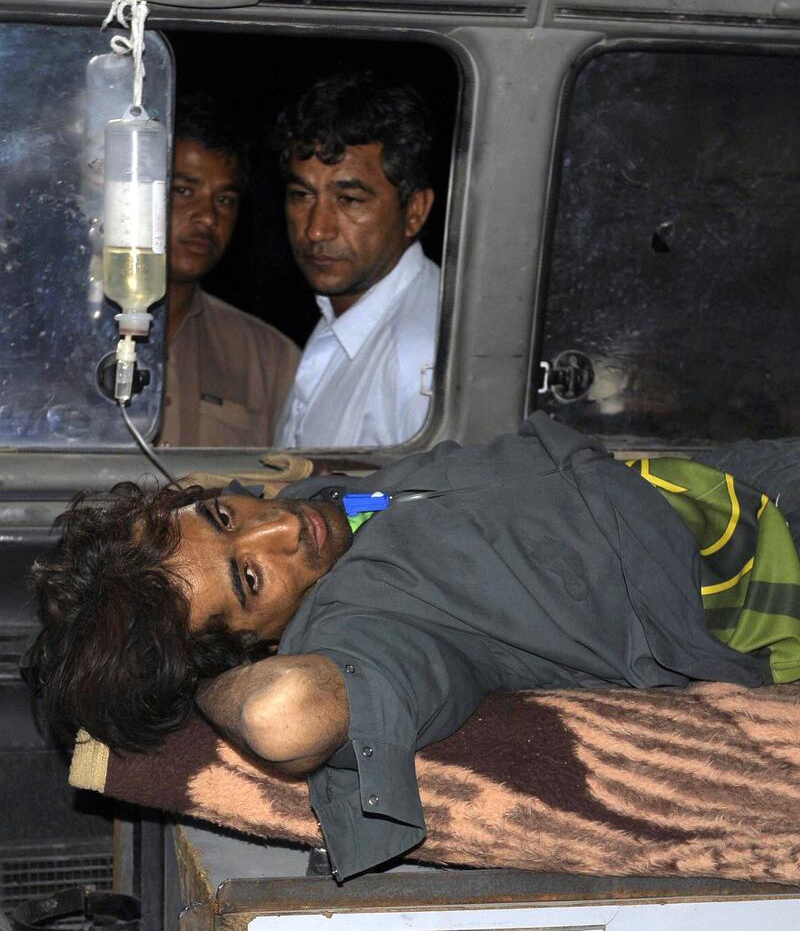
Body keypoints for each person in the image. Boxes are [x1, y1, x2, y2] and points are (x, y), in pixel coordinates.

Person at [27, 413, 800, 881]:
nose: (283, 526)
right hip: (761, 574)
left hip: (729, 482)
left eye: (224, 518)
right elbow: (281, 714)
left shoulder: (314, 511)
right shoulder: (370, 621)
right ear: (247, 644)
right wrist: (205, 681)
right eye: (253, 579)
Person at [272, 72, 440, 449]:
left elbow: (422, 504)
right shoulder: (344, 315)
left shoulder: (418, 357)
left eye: (349, 200)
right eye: (302, 195)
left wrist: (347, 508)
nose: (317, 230)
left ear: (415, 210)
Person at [159, 97, 299, 447]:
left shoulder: (270, 359)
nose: (207, 217)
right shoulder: (56, 338)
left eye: (224, 200)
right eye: (183, 191)